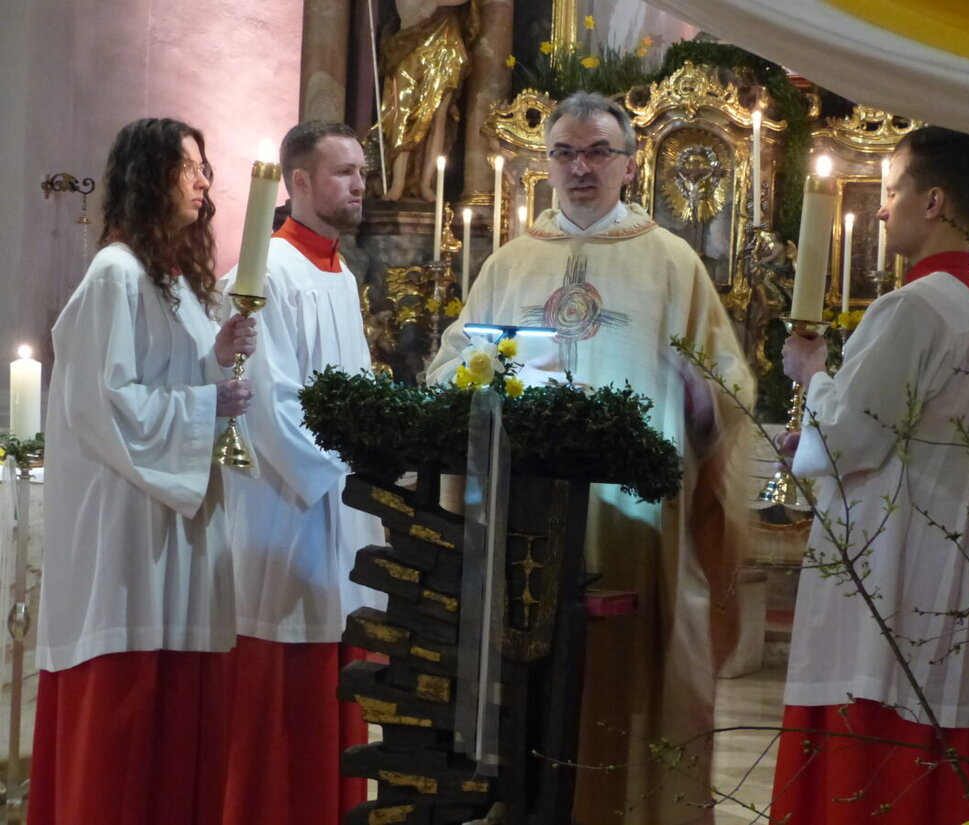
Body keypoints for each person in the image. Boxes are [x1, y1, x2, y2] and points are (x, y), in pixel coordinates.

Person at [427, 91, 755, 825]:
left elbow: (728, 385)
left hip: (633, 527)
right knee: (527, 686)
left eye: (599, 152)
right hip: (520, 516)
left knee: (622, 680)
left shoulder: (672, 264)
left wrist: (701, 401)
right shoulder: (509, 264)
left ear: (630, 166)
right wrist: (471, 378)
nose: (581, 168)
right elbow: (451, 367)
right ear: (545, 164)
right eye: (566, 153)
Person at [770, 127, 969, 824]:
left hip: (897, 575)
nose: (884, 209)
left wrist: (812, 372)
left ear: (935, 199)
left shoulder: (912, 310)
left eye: (893, 191)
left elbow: (852, 437)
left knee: (874, 771)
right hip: (956, 567)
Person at [29, 117, 255, 825]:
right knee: (124, 741)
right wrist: (205, 402)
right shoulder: (115, 275)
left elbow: (168, 378)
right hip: (128, 536)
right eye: (189, 167)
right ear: (149, 175)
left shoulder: (173, 283)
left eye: (204, 168)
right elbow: (105, 404)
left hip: (173, 531)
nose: (204, 181)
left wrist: (214, 356)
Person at [220, 120, 387, 825]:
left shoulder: (341, 274)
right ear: (297, 183)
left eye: (360, 171)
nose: (359, 183)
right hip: (286, 520)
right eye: (344, 171)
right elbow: (267, 410)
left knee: (337, 697)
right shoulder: (260, 276)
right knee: (280, 710)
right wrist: (349, 470)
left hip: (339, 522)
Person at [379, 0, 473, 201]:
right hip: (411, 39)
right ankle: (398, 183)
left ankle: (426, 183)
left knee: (438, 118)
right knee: (403, 113)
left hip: (445, 41)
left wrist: (436, 2)